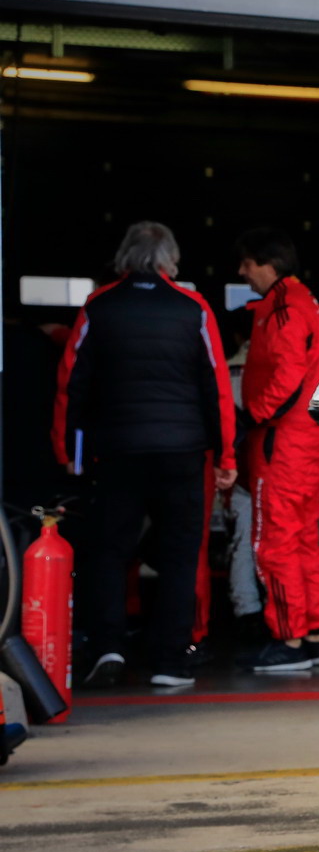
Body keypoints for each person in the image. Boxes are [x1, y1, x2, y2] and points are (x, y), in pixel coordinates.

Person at [51, 222, 236, 689]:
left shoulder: (99, 306)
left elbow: (70, 384)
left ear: (125, 256)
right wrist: (227, 456)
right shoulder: (193, 308)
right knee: (178, 556)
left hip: (117, 453)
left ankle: (108, 646)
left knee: (109, 552)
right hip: (182, 453)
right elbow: (216, 390)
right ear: (169, 259)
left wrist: (67, 454)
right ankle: (170, 662)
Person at [234, 228, 319, 673]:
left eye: (247, 264)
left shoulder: (283, 305)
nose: (242, 272)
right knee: (303, 542)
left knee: (274, 542)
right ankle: (314, 634)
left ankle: (289, 640)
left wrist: (254, 414)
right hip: (309, 438)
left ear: (268, 265)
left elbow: (287, 371)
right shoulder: (304, 301)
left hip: (283, 440)